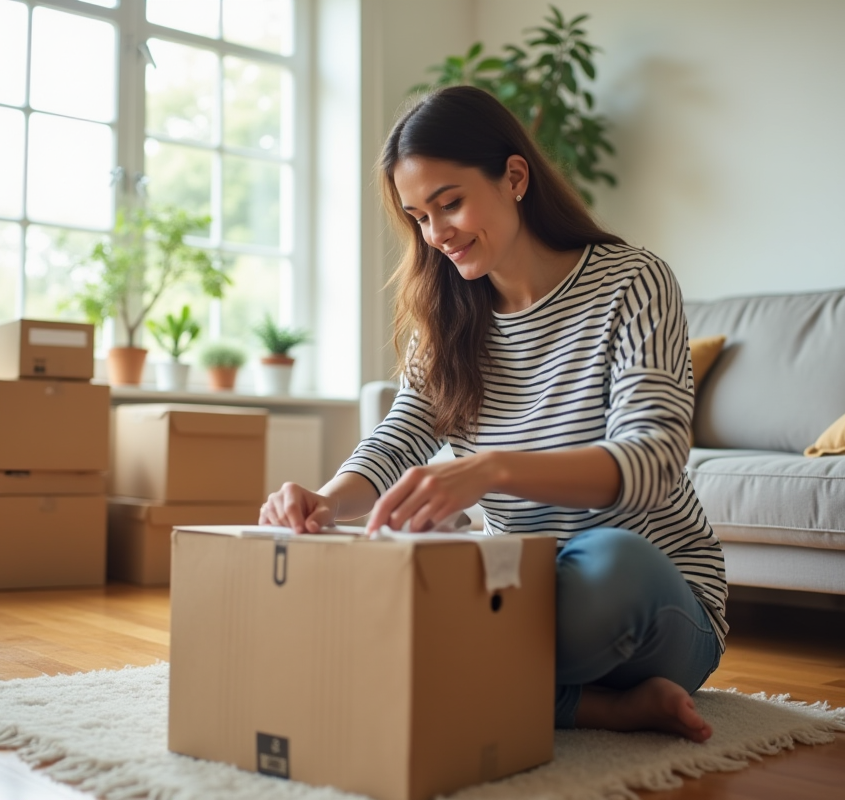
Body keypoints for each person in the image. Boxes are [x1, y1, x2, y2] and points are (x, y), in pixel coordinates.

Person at [259, 85, 727, 742]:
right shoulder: (447, 319)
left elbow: (651, 459)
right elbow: (399, 437)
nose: (436, 233)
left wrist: (492, 470)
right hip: (520, 591)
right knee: (365, 595)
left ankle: (490, 675)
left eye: (449, 203)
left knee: (608, 567)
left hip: (648, 597)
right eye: (419, 216)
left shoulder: (632, 280)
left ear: (514, 177)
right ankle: (602, 707)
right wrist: (326, 503)